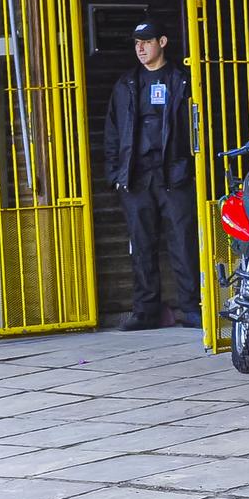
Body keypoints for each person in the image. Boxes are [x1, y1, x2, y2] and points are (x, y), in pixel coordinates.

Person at [101, 19, 199, 330]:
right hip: (136, 177)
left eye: (146, 41)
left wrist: (193, 166)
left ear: (163, 42)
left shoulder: (181, 81)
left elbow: (197, 127)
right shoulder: (127, 84)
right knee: (141, 244)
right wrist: (116, 172)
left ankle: (191, 307)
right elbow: (113, 131)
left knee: (183, 243)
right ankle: (145, 311)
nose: (140, 48)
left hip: (174, 174)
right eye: (136, 43)